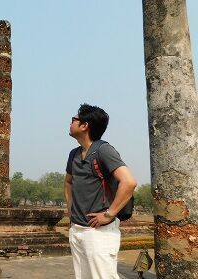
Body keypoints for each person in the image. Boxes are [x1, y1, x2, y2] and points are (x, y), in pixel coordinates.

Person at [64, 103, 137, 279]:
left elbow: (129, 182)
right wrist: (71, 212)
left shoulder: (103, 150)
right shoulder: (74, 153)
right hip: (78, 229)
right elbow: (68, 182)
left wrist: (109, 214)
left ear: (84, 126)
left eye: (74, 119)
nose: (71, 122)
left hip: (99, 233)